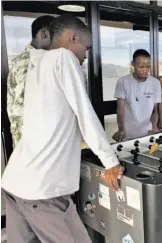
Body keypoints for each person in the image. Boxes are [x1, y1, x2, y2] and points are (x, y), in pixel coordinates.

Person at [1, 15, 123, 243]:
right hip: (42, 190)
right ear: (72, 37)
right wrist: (111, 162)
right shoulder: (63, 58)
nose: (85, 56)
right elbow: (85, 114)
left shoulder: (35, 63)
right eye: (85, 48)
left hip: (15, 182)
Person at [7, 15, 55, 147]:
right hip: (32, 142)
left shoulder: (34, 59)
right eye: (56, 38)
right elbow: (33, 103)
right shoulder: (29, 62)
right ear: (44, 34)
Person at [112, 49, 161, 141]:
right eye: (141, 67)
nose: (145, 70)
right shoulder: (123, 81)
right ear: (133, 64)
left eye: (148, 67)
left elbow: (155, 110)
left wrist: (154, 127)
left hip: (147, 132)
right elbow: (120, 109)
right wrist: (121, 129)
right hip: (128, 132)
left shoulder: (155, 83)